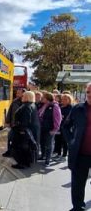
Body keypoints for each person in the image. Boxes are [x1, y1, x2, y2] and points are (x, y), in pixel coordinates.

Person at [63, 82, 91, 211]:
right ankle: (77, 207)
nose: (90, 95)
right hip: (80, 154)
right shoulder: (77, 108)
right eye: (88, 92)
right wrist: (71, 141)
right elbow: (65, 126)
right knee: (78, 184)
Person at [10, 91, 40, 169]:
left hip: (23, 130)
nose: (22, 97)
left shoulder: (26, 106)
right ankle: (26, 162)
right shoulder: (32, 105)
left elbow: (25, 120)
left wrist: (21, 131)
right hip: (29, 130)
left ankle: (22, 163)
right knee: (26, 147)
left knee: (21, 147)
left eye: (23, 96)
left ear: (27, 97)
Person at [38, 92, 62, 166]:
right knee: (42, 142)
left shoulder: (55, 106)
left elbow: (58, 119)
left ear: (47, 98)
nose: (41, 98)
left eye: (43, 97)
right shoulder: (44, 105)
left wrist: (55, 129)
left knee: (49, 144)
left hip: (50, 129)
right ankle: (43, 156)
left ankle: (47, 160)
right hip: (42, 128)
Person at [2, 88, 26, 157]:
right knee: (10, 138)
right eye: (17, 93)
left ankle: (16, 153)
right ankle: (9, 151)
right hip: (13, 124)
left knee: (18, 140)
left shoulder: (26, 102)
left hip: (21, 126)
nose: (17, 94)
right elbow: (10, 111)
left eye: (19, 93)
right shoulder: (15, 101)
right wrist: (7, 121)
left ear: (23, 94)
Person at [54, 93, 73, 159]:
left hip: (66, 127)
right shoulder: (60, 106)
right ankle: (58, 153)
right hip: (59, 126)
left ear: (69, 100)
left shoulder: (70, 107)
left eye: (65, 99)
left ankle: (64, 155)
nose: (64, 100)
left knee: (64, 141)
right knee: (58, 140)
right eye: (63, 99)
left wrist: (62, 117)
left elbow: (69, 118)